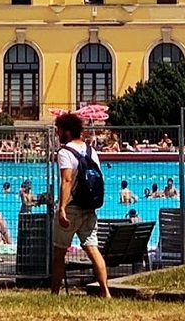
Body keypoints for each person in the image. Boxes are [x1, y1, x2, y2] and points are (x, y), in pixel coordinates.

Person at [50, 113, 111, 298]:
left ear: (66, 131)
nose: (56, 132)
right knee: (93, 250)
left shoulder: (65, 153)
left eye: (58, 129)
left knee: (59, 252)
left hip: (72, 208)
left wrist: (62, 208)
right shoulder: (91, 151)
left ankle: (54, 293)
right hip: (90, 207)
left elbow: (67, 180)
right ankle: (106, 292)